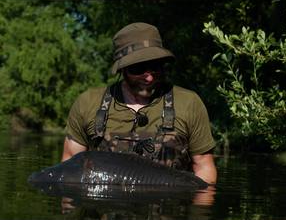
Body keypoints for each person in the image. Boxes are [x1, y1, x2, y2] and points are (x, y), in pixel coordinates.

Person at [62, 22, 217, 184]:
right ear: (122, 69)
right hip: (103, 203)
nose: (149, 77)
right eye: (138, 69)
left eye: (155, 67)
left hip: (170, 204)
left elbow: (204, 169)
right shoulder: (87, 103)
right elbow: (69, 168)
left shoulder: (189, 103)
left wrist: (201, 209)